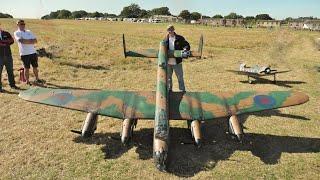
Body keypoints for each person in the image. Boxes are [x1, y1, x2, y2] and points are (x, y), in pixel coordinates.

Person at [14, 19, 42, 85]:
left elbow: (35, 40)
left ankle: (37, 79)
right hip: (24, 54)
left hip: (33, 52)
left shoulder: (29, 31)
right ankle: (27, 81)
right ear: (17, 25)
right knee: (26, 68)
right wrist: (30, 41)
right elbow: (21, 41)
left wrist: (27, 41)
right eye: (21, 24)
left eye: (23, 24)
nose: (22, 25)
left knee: (35, 67)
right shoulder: (16, 33)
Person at [164, 25, 190, 92]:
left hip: (177, 62)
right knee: (168, 78)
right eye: (169, 30)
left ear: (174, 30)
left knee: (180, 77)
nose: (170, 31)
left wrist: (185, 49)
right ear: (167, 30)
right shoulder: (165, 39)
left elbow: (186, 45)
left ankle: (182, 91)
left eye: (171, 29)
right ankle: (169, 91)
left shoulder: (179, 38)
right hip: (168, 62)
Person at [0, 23, 18, 92]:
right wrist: (6, 42)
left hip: (8, 56)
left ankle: (12, 85)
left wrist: (3, 41)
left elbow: (12, 41)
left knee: (10, 71)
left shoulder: (6, 33)